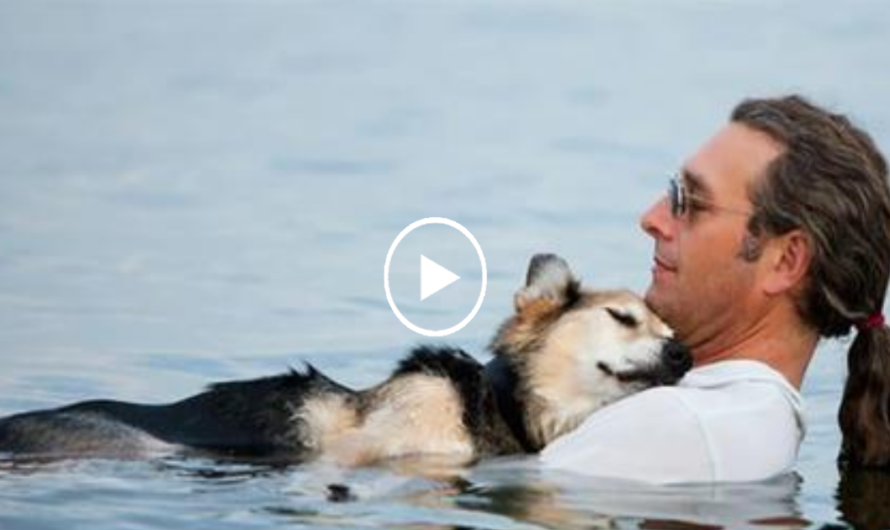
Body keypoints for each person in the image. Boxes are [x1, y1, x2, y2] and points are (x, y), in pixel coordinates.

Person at [540, 95, 890, 483]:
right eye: (673, 189)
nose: (652, 218)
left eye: (691, 202)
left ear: (786, 261)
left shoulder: (683, 428)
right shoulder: (744, 421)